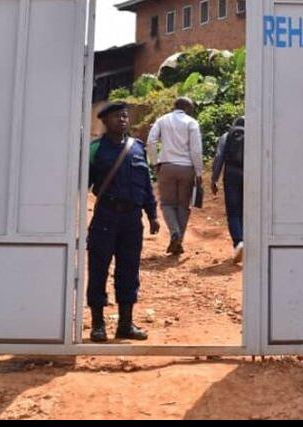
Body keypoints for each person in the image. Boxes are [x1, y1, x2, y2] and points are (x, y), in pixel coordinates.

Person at [87, 100, 160, 342]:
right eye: (117, 116)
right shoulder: (95, 149)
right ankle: (98, 324)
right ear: (105, 121)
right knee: (98, 268)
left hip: (132, 220)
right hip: (106, 216)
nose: (122, 119)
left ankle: (125, 325)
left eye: (125, 116)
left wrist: (152, 214)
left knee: (129, 270)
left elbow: (146, 185)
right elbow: (81, 183)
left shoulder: (137, 148)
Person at [146, 96, 204, 256]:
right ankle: (179, 239)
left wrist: (155, 162)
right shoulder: (192, 123)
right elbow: (196, 150)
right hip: (187, 168)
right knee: (183, 206)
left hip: (167, 166)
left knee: (167, 204)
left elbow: (151, 141)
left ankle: (174, 233)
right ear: (188, 108)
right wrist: (199, 172)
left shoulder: (162, 120)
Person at [211, 116, 245, 264]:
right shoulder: (256, 136)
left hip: (231, 174)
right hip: (251, 175)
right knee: (247, 211)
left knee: (233, 212)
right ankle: (247, 242)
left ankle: (239, 242)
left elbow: (219, 157)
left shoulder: (227, 136)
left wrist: (214, 179)